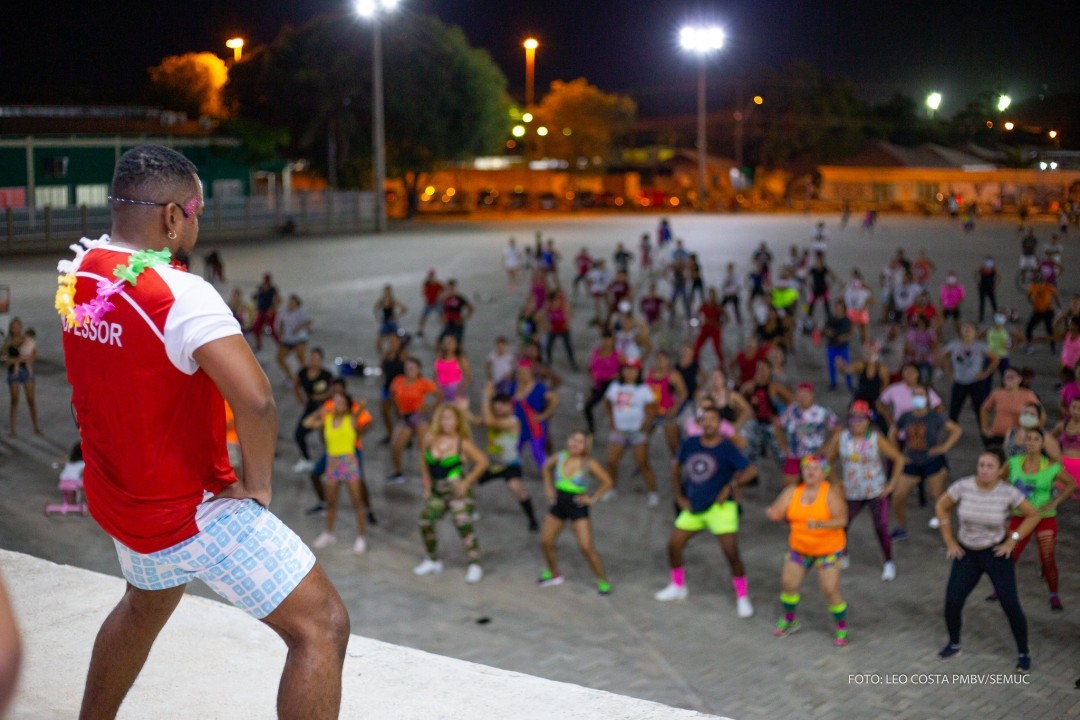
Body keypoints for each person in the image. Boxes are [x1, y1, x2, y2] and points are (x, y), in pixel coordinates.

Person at [62, 145, 347, 718]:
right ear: (172, 216)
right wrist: (258, 484)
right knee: (322, 625)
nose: (199, 220)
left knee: (145, 605)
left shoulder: (80, 272)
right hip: (189, 508)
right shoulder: (181, 294)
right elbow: (258, 399)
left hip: (121, 497)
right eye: (197, 208)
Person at [934, 449, 1041, 673]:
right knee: (952, 600)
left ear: (999, 469)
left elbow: (1033, 515)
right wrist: (950, 540)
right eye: (981, 465)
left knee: (1010, 605)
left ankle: (1023, 652)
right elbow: (942, 506)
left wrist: (1013, 540)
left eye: (990, 466)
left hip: (996, 554)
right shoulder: (963, 486)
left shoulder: (1007, 492)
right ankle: (954, 644)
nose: (984, 470)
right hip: (967, 554)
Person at [655, 406, 758, 616]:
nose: (709, 423)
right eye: (705, 419)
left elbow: (751, 471)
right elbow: (675, 467)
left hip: (721, 507)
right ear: (700, 423)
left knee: (731, 553)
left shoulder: (727, 447)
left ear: (720, 424)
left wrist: (731, 487)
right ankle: (678, 586)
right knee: (674, 545)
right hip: (694, 505)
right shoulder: (691, 444)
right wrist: (679, 496)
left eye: (713, 419)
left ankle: (742, 596)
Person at [765, 457, 850, 647]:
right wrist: (773, 513)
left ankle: (842, 628)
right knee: (788, 583)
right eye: (807, 468)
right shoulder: (792, 491)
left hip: (828, 549)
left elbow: (842, 520)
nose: (810, 472)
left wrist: (820, 524)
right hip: (800, 548)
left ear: (824, 473)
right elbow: (778, 509)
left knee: (829, 589)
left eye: (816, 469)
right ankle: (790, 620)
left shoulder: (830, 493)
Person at [823, 400, 907, 581]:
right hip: (852, 492)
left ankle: (888, 562)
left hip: (876, 491)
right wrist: (836, 482)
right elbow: (827, 460)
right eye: (853, 418)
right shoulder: (841, 437)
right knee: (842, 524)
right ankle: (843, 553)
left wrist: (891, 484)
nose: (856, 422)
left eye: (860, 418)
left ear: (868, 420)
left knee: (881, 526)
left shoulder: (875, 438)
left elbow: (899, 459)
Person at [413, 404, 490, 583]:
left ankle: (475, 564)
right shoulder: (430, 439)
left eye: (451, 418)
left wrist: (466, 482)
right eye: (444, 418)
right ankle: (432, 559)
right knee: (426, 521)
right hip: (437, 492)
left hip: (457, 492)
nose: (447, 422)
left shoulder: (463, 443)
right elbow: (423, 459)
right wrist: (426, 483)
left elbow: (483, 462)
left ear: (458, 421)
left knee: (463, 524)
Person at [1004, 429, 1075, 610]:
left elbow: (1071, 483)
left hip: (1044, 518)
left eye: (1036, 439)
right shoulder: (1012, 463)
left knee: (1047, 558)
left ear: (1043, 444)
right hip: (1020, 517)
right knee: (1009, 555)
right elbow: (999, 481)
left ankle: (1054, 594)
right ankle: (1001, 589)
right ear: (1024, 443)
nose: (1032, 442)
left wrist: (1055, 502)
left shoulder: (1052, 467)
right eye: (1028, 439)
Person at [538, 430, 615, 595]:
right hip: (559, 503)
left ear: (586, 446)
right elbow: (545, 468)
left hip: (577, 505)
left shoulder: (589, 464)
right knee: (546, 541)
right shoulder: (560, 457)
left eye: (580, 442)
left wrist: (592, 498)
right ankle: (553, 573)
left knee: (586, 547)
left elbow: (608, 482)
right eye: (573, 439)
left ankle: (603, 581)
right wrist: (549, 489)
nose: (574, 444)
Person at [888, 385, 963, 540]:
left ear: (928, 398)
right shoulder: (906, 416)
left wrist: (944, 447)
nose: (918, 397)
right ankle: (901, 527)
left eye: (921, 394)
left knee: (938, 497)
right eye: (915, 394)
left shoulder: (935, 416)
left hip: (932, 461)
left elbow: (956, 430)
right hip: (912, 461)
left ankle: (945, 529)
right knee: (897, 497)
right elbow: (893, 433)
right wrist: (898, 454)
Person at [304, 391, 370, 553]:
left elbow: (362, 404)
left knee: (357, 502)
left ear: (347, 405)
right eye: (335, 402)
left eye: (341, 402)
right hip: (332, 462)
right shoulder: (327, 419)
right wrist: (320, 411)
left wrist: (356, 405)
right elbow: (307, 423)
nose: (337, 405)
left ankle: (361, 537)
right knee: (331, 501)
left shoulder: (352, 419)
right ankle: (329, 533)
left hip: (348, 461)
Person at [477, 385, 539, 532]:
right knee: (470, 480)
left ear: (508, 406)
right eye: (495, 409)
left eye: (500, 408)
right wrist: (463, 410)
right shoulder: (493, 418)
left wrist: (485, 397)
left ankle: (532, 519)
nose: (497, 411)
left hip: (510, 464)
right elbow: (477, 421)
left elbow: (491, 423)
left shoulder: (513, 421)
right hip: (492, 463)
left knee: (516, 488)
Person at [604, 359, 659, 504]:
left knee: (642, 463)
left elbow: (653, 408)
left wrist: (646, 425)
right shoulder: (615, 387)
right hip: (619, 431)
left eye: (633, 370)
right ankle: (611, 488)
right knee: (611, 461)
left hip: (637, 432)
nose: (630, 372)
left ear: (639, 372)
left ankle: (653, 492)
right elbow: (607, 402)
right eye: (627, 369)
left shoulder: (644, 389)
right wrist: (611, 420)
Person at [387, 358, 440, 483]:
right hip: (405, 417)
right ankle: (397, 472)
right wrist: (398, 409)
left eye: (413, 368)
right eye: (408, 367)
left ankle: (429, 474)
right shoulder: (398, 381)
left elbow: (440, 396)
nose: (410, 370)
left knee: (423, 447)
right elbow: (393, 395)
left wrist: (429, 407)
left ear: (419, 370)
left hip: (419, 416)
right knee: (395, 445)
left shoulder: (423, 383)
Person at [776, 383, 839, 486]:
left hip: (816, 455)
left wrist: (827, 446)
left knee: (825, 482)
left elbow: (837, 429)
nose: (803, 397)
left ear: (812, 395)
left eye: (806, 394)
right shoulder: (791, 410)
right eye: (800, 395)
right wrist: (783, 446)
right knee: (789, 485)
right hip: (794, 455)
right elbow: (777, 425)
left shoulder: (822, 411)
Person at [941, 322, 997, 424]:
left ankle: (984, 431)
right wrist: (949, 371)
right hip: (959, 381)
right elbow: (944, 356)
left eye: (970, 329)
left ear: (975, 332)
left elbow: (995, 359)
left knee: (979, 408)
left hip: (976, 382)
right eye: (965, 328)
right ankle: (953, 431)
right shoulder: (954, 344)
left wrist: (985, 373)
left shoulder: (980, 346)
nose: (967, 331)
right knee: (954, 409)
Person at [739, 361, 792, 468]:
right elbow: (739, 402)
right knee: (750, 451)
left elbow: (792, 402)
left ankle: (788, 472)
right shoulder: (749, 386)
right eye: (759, 369)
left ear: (769, 372)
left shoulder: (775, 387)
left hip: (773, 424)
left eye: (764, 369)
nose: (761, 372)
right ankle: (751, 474)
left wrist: (782, 417)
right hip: (756, 423)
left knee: (781, 453)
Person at [509, 360, 558, 473]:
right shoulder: (514, 386)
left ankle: (550, 474)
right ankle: (512, 471)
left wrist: (544, 415)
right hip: (518, 426)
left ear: (531, 373)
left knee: (538, 454)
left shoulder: (539, 388)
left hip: (534, 427)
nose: (522, 375)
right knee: (514, 450)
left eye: (525, 372)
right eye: (520, 372)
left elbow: (554, 399)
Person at [292, 348, 334, 474]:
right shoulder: (303, 372)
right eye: (312, 358)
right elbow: (296, 387)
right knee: (299, 434)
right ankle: (306, 459)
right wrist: (302, 402)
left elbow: (333, 391)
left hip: (326, 407)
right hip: (311, 407)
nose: (314, 361)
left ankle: (331, 459)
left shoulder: (327, 375)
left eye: (317, 359)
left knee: (326, 435)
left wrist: (322, 397)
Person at [980, 367, 1040, 449]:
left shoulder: (1028, 395)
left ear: (1019, 379)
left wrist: (1034, 430)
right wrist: (985, 428)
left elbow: (1040, 413)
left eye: (1012, 377)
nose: (1009, 379)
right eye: (1007, 377)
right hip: (997, 435)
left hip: (1016, 437)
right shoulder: (997, 393)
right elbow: (984, 409)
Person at [645, 350, 689, 456]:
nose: (660, 362)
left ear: (668, 361)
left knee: (673, 445)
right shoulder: (649, 374)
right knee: (641, 440)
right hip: (651, 413)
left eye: (663, 359)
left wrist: (675, 408)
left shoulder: (673, 375)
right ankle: (642, 462)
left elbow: (683, 393)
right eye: (658, 359)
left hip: (667, 413)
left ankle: (677, 466)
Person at [3, 318, 41, 436]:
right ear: (11, 328)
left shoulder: (26, 339)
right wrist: (18, 360)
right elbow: (5, 359)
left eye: (17, 326)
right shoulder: (8, 342)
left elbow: (34, 355)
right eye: (14, 326)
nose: (16, 329)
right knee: (14, 400)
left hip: (25, 371)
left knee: (31, 400)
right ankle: (13, 430)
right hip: (13, 372)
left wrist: (18, 360)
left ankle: (36, 427)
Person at [876, 363, 944, 430]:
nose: (909, 374)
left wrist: (931, 420)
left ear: (918, 374)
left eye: (912, 372)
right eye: (907, 371)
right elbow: (880, 402)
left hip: (920, 428)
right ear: (902, 374)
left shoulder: (924, 390)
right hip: (899, 428)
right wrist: (887, 416)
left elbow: (939, 406)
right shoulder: (894, 388)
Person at [584, 332, 620, 434]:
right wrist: (592, 376)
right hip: (598, 384)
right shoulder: (596, 352)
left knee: (613, 409)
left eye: (609, 340)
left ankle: (617, 430)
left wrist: (616, 376)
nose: (606, 342)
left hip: (611, 384)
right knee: (588, 407)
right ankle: (591, 429)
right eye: (604, 339)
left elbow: (625, 369)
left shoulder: (617, 355)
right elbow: (590, 366)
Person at [378, 333, 409, 443]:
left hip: (399, 388)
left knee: (399, 412)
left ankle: (404, 435)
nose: (392, 343)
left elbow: (408, 370)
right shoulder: (387, 354)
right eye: (390, 341)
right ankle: (391, 433)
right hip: (388, 386)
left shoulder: (403, 355)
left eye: (394, 341)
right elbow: (382, 366)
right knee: (385, 412)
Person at [275, 294, 312, 383]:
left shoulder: (301, 312)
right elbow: (280, 323)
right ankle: (290, 377)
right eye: (290, 302)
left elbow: (308, 322)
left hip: (299, 338)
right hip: (287, 338)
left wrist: (299, 328)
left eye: (292, 302)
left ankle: (307, 376)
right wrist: (280, 331)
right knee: (280, 358)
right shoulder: (283, 312)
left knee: (301, 358)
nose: (290, 304)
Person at [822, 298, 853, 391]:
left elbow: (850, 332)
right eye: (836, 307)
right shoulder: (831, 319)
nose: (838, 309)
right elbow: (825, 330)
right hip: (832, 345)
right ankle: (833, 383)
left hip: (843, 345)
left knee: (846, 364)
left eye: (840, 307)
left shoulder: (847, 320)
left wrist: (845, 337)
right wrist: (828, 332)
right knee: (831, 365)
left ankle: (849, 384)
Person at [1025, 272, 1059, 353]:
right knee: (1032, 328)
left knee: (1048, 329)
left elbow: (1056, 295)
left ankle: (1052, 346)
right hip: (1041, 311)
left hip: (1045, 311)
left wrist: (1054, 304)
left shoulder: (1044, 286)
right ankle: (1052, 347)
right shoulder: (1036, 286)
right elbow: (1028, 295)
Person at [433, 334, 472, 405]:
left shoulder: (460, 359)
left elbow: (469, 376)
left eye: (450, 343)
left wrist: (460, 390)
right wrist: (436, 389)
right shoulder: (439, 357)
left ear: (456, 345)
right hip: (442, 391)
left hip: (456, 391)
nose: (448, 345)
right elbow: (436, 374)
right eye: (446, 343)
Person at [544, 289, 577, 370]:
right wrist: (547, 326)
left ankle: (572, 362)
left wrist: (568, 321)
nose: (556, 302)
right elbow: (544, 316)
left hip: (563, 329)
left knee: (568, 346)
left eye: (558, 300)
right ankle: (549, 360)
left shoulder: (564, 306)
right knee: (548, 345)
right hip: (553, 329)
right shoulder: (548, 306)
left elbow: (571, 312)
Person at [250, 272, 281, 352]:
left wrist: (273, 309)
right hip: (261, 310)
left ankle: (279, 343)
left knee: (272, 329)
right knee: (256, 328)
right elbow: (257, 297)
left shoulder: (273, 289)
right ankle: (259, 344)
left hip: (269, 311)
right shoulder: (260, 287)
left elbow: (278, 300)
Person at [374, 284, 407, 355]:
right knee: (379, 342)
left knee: (392, 341)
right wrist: (378, 318)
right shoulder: (382, 301)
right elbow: (375, 309)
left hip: (391, 323)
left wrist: (396, 316)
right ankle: (383, 355)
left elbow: (404, 309)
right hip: (385, 322)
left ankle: (393, 354)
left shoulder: (393, 301)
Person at [439, 279, 474, 344]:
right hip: (448, 323)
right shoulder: (445, 298)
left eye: (452, 289)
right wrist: (442, 318)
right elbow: (442, 310)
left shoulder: (459, 298)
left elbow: (471, 308)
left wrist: (465, 318)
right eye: (449, 289)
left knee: (457, 343)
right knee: (441, 341)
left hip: (457, 323)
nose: (450, 291)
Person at [417, 269, 444, 339]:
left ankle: (444, 328)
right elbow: (424, 292)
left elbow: (444, 290)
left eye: (432, 275)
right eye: (430, 276)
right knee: (423, 317)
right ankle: (420, 330)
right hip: (429, 303)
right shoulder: (426, 284)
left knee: (440, 316)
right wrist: (425, 298)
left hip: (436, 302)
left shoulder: (438, 284)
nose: (431, 277)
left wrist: (441, 297)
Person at [938, 271, 966, 338]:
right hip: (945, 308)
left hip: (955, 308)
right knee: (940, 325)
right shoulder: (943, 288)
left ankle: (961, 337)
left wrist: (956, 305)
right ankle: (940, 338)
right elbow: (941, 298)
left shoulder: (959, 287)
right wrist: (942, 307)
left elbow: (962, 298)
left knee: (958, 325)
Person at [974, 255, 1000, 324]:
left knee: (993, 302)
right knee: (982, 303)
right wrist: (977, 282)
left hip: (990, 288)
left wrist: (995, 285)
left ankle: (996, 316)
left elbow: (999, 277)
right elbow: (975, 274)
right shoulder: (982, 269)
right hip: (983, 288)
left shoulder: (994, 269)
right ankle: (981, 317)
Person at [720, 262, 743, 327]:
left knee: (736, 309)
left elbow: (739, 286)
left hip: (733, 295)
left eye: (730, 268)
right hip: (727, 295)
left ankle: (739, 322)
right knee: (721, 307)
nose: (729, 270)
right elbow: (723, 286)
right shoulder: (725, 276)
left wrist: (735, 292)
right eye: (728, 268)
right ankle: (725, 318)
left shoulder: (736, 276)